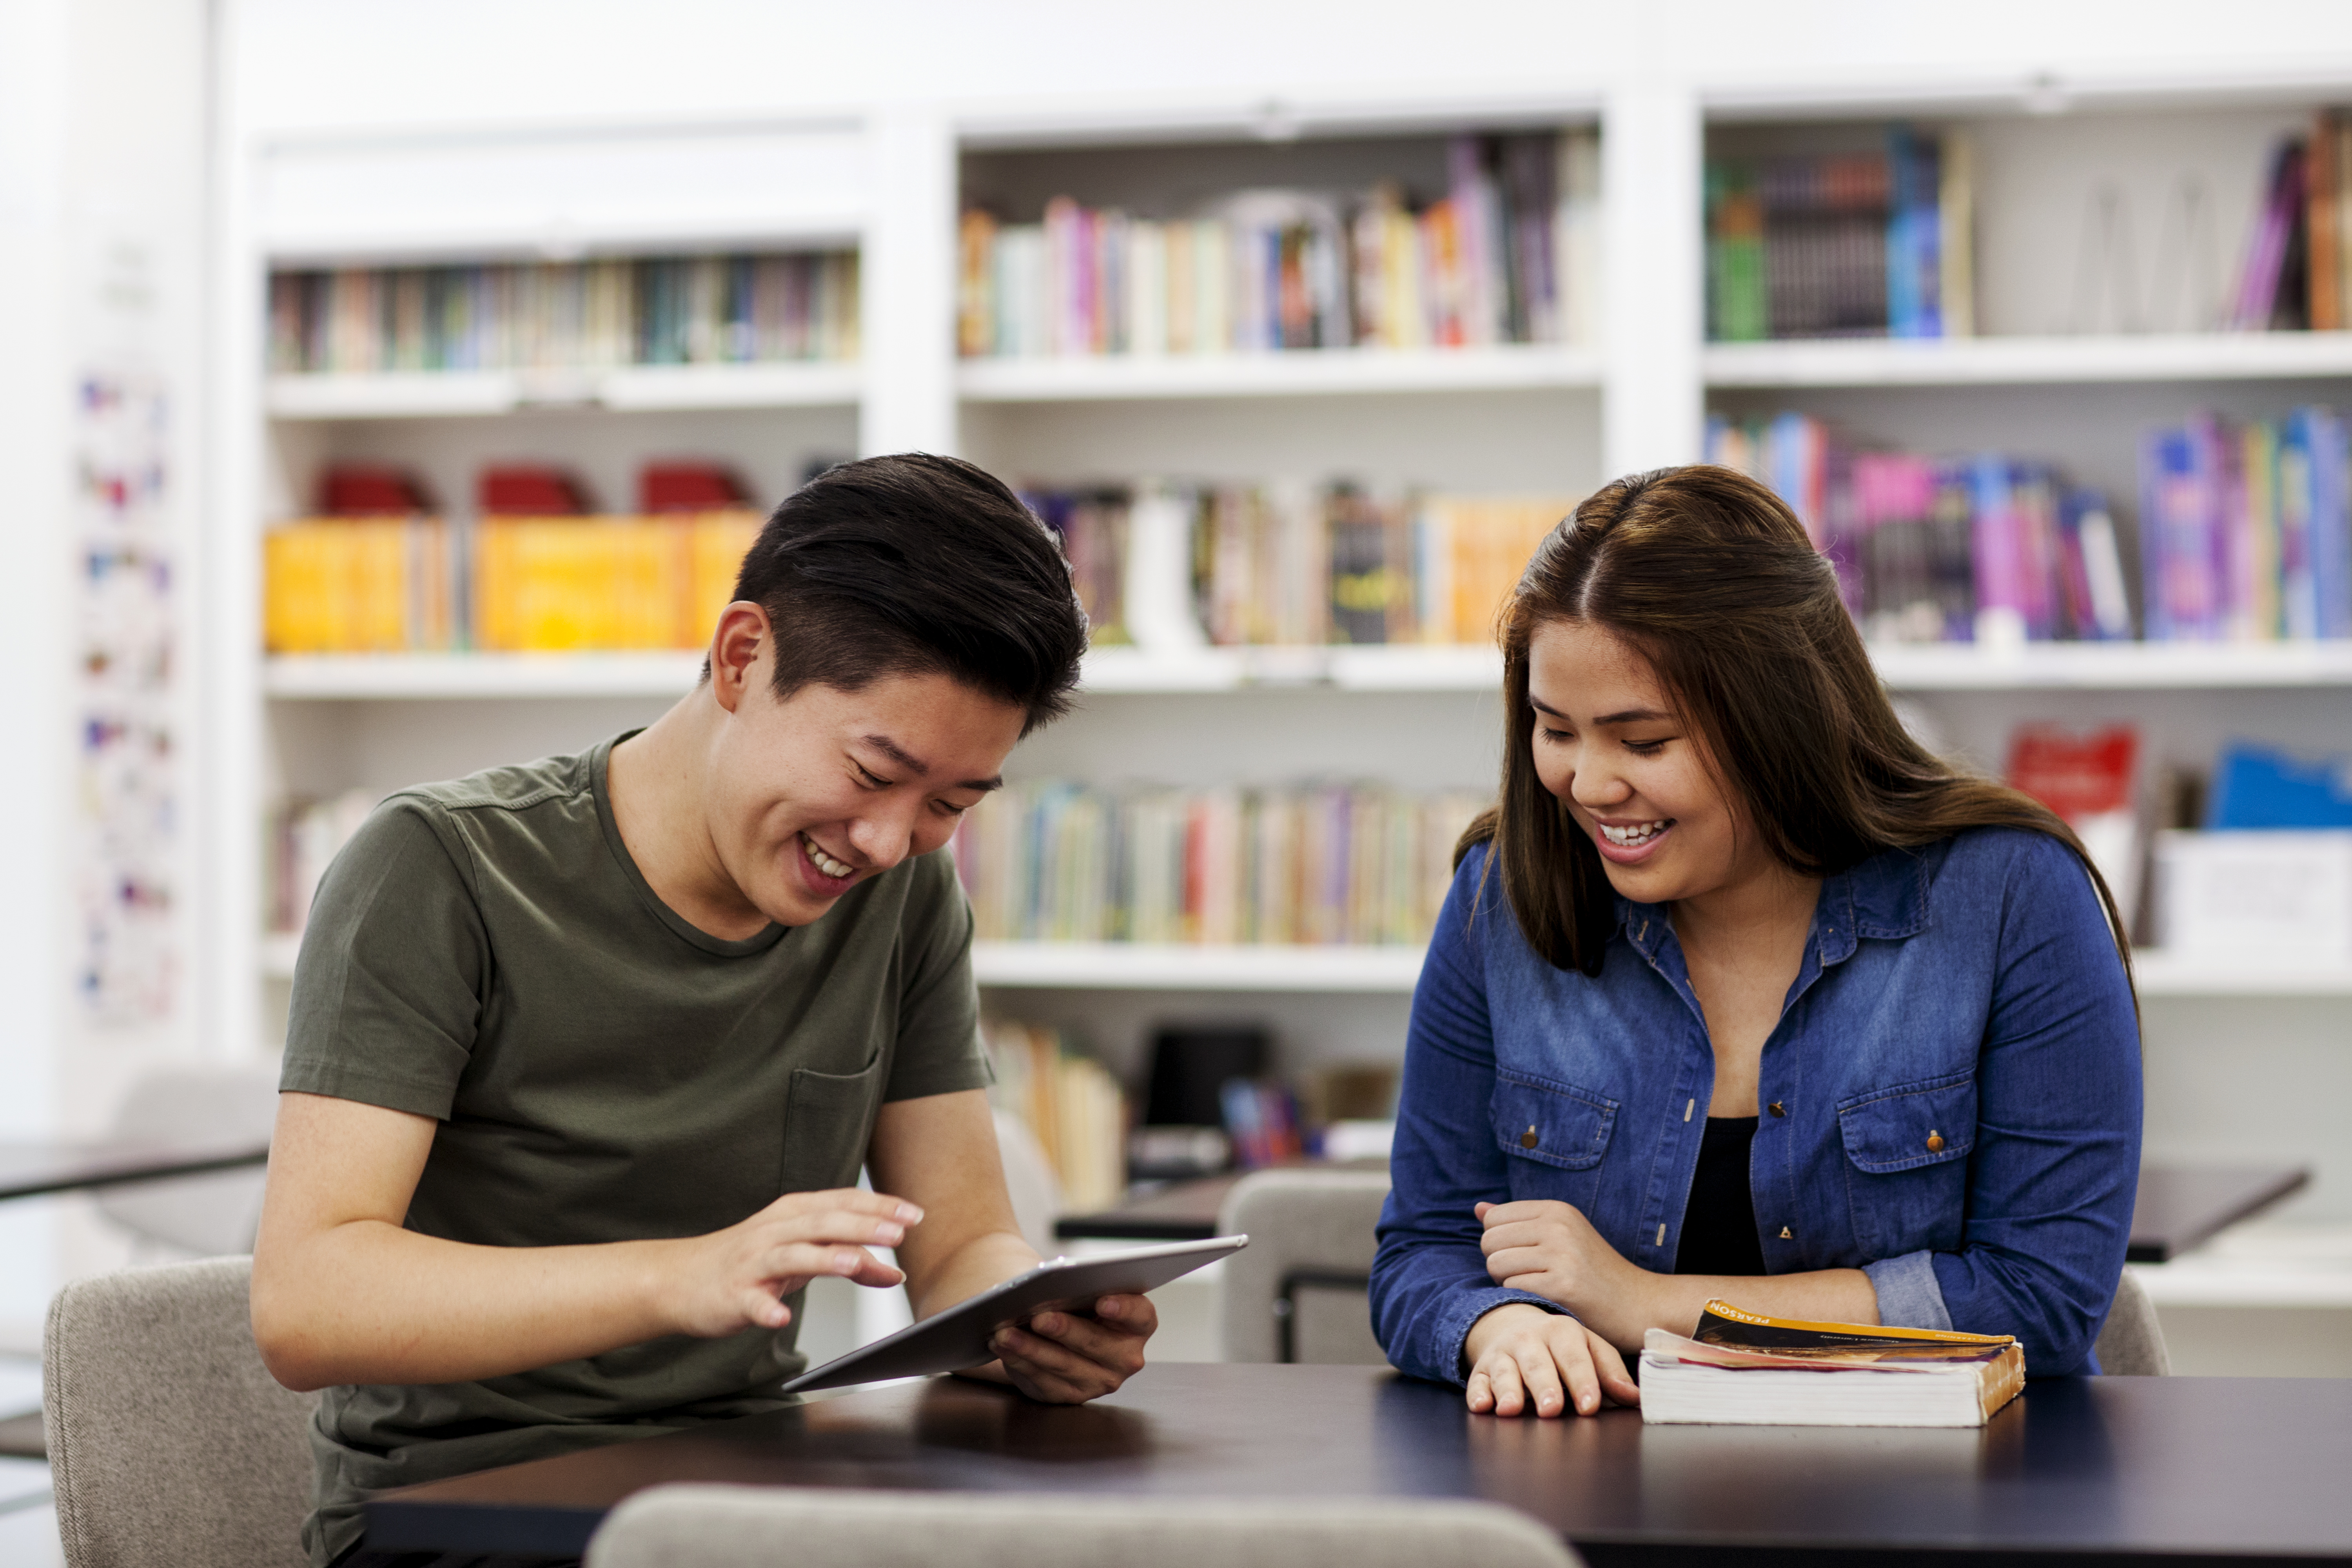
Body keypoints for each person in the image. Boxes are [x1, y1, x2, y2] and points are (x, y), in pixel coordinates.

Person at [250, 454, 1159, 1567]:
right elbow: (307, 1302)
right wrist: (684, 1273)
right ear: (742, 657)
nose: (887, 841)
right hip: (466, 1517)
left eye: (950, 805)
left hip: (752, 1497)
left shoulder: (905, 898)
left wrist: (1027, 1323)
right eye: (875, 771)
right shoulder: (439, 872)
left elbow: (962, 1241)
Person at [1369, 465, 2141, 1421]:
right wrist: (1501, 1326)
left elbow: (2041, 1298)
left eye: (1644, 741)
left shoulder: (2011, 895)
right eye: (1554, 728)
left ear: (1782, 718)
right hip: (1596, 1500)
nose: (1588, 784)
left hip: (1947, 1501)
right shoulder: (1502, 894)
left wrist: (1643, 1302)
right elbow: (1425, 1248)